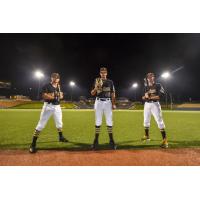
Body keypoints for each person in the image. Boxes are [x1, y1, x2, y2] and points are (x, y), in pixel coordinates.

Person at [29, 73, 68, 153]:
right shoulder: (46, 86)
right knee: (41, 124)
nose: (56, 78)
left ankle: (61, 137)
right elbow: (43, 95)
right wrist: (54, 96)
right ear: (51, 78)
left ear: (59, 79)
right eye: (54, 77)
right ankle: (33, 143)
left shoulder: (59, 86)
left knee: (59, 123)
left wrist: (59, 96)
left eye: (57, 77)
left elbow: (61, 96)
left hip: (57, 106)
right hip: (48, 106)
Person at [90, 67, 117, 150]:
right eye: (101, 72)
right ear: (100, 73)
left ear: (106, 73)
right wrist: (96, 87)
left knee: (109, 121)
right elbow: (92, 93)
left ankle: (111, 140)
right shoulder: (97, 80)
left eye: (104, 72)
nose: (103, 74)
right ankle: (96, 140)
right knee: (98, 121)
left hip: (108, 102)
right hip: (98, 102)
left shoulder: (110, 82)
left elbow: (113, 93)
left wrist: (113, 104)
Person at [142, 72, 168, 148]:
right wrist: (145, 96)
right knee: (146, 121)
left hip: (155, 104)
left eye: (151, 76)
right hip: (147, 104)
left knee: (159, 121)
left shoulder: (158, 85)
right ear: (147, 79)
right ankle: (147, 136)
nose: (149, 78)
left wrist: (149, 97)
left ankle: (165, 140)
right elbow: (143, 97)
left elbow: (160, 96)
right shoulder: (146, 87)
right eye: (148, 77)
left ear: (154, 77)